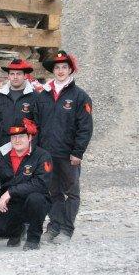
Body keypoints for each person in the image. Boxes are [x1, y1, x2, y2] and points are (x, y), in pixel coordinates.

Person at [36, 51, 93, 244]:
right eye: (57, 67)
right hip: (47, 154)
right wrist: (38, 151)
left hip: (69, 155)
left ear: (70, 70)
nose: (60, 70)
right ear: (53, 70)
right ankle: (54, 227)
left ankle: (67, 230)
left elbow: (85, 127)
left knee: (71, 192)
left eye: (64, 67)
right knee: (53, 192)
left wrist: (78, 152)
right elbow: (36, 125)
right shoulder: (43, 95)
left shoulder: (80, 96)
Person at [0, 119, 52, 250]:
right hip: (11, 203)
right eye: (14, 137)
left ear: (30, 137)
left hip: (33, 200)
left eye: (21, 136)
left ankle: (33, 238)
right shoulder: (0, 156)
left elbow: (41, 183)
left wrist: (10, 192)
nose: (17, 140)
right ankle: (17, 232)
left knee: (36, 199)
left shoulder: (42, 155)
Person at [0, 58, 39, 159]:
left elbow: (39, 126)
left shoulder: (36, 98)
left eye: (19, 74)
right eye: (12, 74)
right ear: (8, 76)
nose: (15, 77)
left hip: (26, 150)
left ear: (25, 76)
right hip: (1, 149)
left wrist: (34, 148)